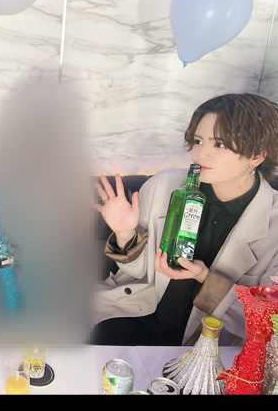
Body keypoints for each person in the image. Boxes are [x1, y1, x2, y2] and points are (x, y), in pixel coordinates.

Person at [92, 93, 278, 346]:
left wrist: (205, 278)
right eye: (198, 141)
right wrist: (126, 233)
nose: (201, 154)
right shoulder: (164, 185)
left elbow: (267, 320)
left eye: (219, 144)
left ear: (256, 155)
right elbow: (138, 272)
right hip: (135, 315)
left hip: (211, 342)